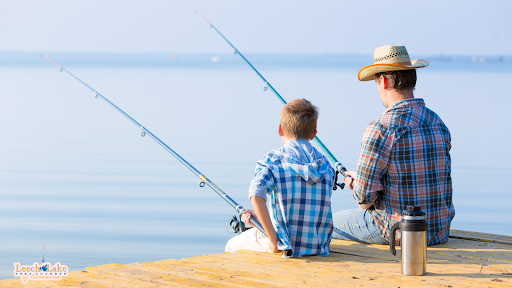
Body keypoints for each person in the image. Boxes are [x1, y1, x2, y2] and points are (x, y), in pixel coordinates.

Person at [333, 45, 455, 246]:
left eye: (376, 81)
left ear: (384, 80)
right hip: (438, 231)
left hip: (399, 233)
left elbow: (364, 201)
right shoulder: (437, 122)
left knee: (326, 223)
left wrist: (357, 185)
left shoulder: (381, 128)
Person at [225, 99, 335, 257]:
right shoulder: (326, 165)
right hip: (319, 247)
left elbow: (256, 196)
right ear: (313, 134)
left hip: (286, 246)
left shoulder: (272, 161)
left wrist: (272, 239)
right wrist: (263, 217)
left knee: (232, 245)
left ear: (280, 130)